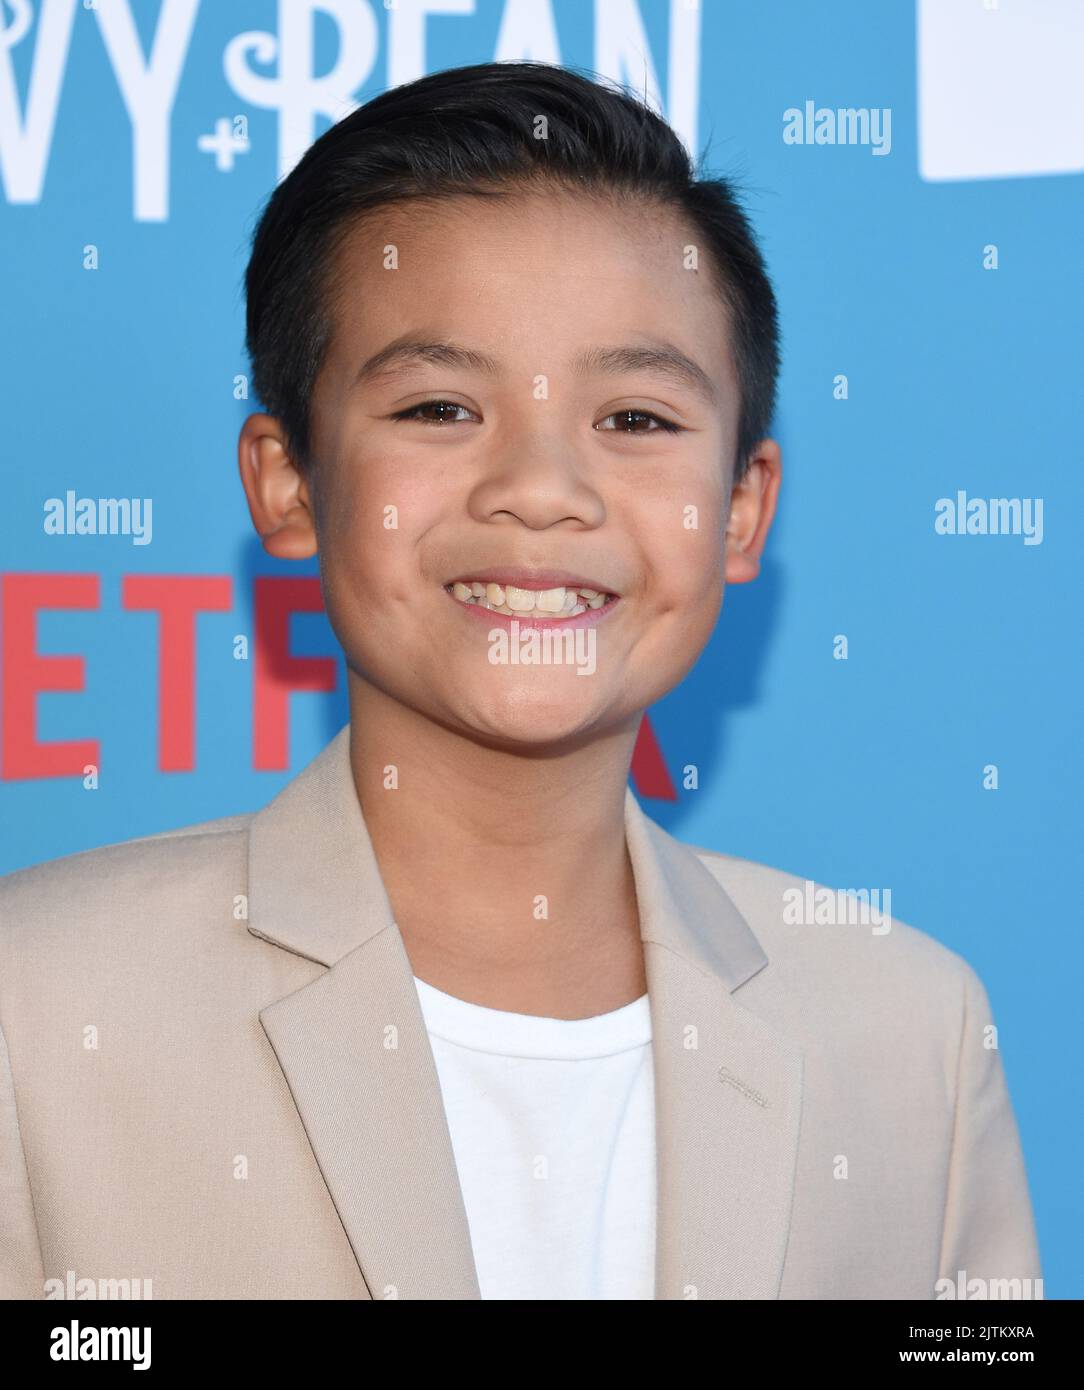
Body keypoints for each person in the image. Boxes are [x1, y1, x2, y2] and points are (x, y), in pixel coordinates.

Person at [0, 61, 1040, 1301]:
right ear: (287, 482)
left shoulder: (907, 1030)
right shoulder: (39, 1004)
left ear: (742, 509)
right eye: (441, 406)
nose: (542, 487)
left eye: (638, 420)